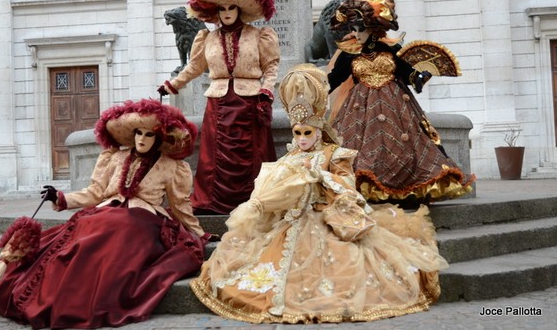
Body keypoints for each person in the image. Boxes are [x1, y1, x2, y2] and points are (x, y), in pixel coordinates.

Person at [190, 64, 448, 324]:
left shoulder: (333, 154)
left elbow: (347, 184)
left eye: (307, 133)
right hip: (290, 220)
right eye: (297, 133)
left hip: (325, 216)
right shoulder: (292, 155)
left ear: (318, 131)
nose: (302, 139)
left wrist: (321, 177)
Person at [0, 98, 212, 329]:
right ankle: (58, 295)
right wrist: (60, 197)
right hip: (106, 212)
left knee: (117, 229)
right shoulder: (115, 158)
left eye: (149, 135)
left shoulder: (173, 167)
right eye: (138, 133)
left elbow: (180, 204)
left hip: (144, 221)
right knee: (86, 231)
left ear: (160, 137)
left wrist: (197, 232)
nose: (142, 139)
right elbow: (95, 192)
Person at [327, 0, 475, 207]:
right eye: (354, 29)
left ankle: (404, 189)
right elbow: (334, 79)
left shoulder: (390, 50)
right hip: (360, 111)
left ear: (373, 29)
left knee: (403, 146)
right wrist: (314, 89)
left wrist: (419, 76)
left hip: (395, 107)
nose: (356, 34)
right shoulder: (349, 54)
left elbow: (407, 72)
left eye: (361, 29)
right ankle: (365, 188)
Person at [158, 0, 280, 215]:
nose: (226, 13)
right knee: (216, 156)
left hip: (249, 101)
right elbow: (194, 67)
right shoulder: (207, 38)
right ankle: (213, 200)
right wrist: (172, 85)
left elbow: (271, 66)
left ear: (240, 9)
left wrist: (266, 91)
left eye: (231, 7)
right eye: (222, 8)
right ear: (215, 11)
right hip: (218, 102)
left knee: (252, 153)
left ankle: (255, 199)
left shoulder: (259, 35)